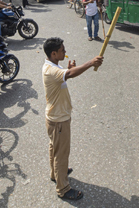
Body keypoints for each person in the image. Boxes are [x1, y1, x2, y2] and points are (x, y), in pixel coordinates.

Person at [41, 37, 103, 201]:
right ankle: (63, 188)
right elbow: (68, 74)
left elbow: (66, 75)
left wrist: (69, 71)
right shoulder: (51, 70)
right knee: (62, 154)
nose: (65, 52)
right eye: (62, 50)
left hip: (54, 117)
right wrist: (90, 63)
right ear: (53, 53)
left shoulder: (52, 65)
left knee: (55, 148)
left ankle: (55, 174)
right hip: (59, 119)